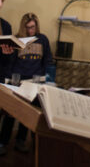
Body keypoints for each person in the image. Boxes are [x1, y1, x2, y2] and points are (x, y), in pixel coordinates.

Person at [0, 13, 53, 155]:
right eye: (28, 28)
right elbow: (10, 62)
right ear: (23, 27)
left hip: (35, 81)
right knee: (11, 113)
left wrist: (48, 78)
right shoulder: (16, 39)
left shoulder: (43, 39)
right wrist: (9, 81)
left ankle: (20, 141)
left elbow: (47, 59)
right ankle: (3, 142)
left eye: (33, 27)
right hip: (17, 81)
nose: (31, 30)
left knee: (27, 114)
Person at [0, 0, 13, 83]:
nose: (0, 4)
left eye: (3, 1)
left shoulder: (6, 26)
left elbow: (6, 63)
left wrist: (6, 54)